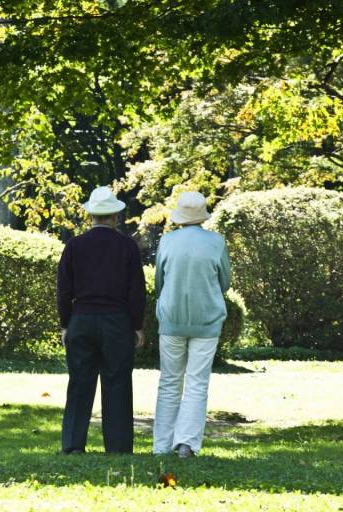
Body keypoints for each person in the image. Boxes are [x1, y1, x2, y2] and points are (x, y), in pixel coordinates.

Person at [57, 186, 146, 454]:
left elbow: (64, 289)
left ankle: (73, 445)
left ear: (91, 216)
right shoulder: (127, 246)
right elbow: (136, 290)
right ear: (115, 217)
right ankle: (118, 447)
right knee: (117, 383)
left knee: (79, 384)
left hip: (82, 319)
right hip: (116, 321)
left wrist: (65, 324)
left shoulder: (74, 245)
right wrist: (138, 325)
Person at [152, 191, 230, 458]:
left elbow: (159, 282)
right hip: (207, 320)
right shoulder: (216, 242)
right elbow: (225, 282)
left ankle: (161, 445)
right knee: (197, 381)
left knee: (169, 382)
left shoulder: (167, 241)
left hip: (172, 318)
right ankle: (186, 443)